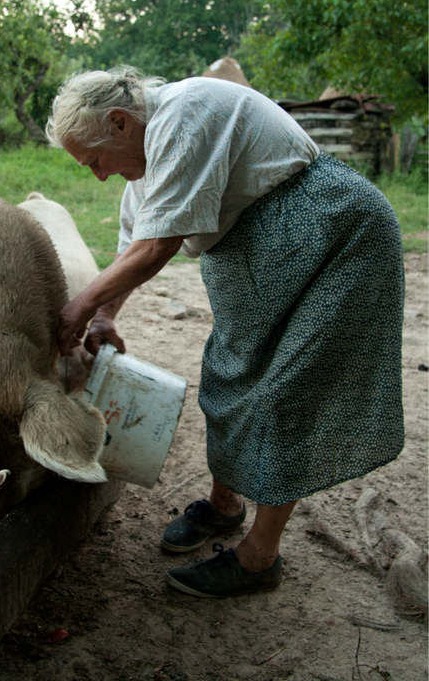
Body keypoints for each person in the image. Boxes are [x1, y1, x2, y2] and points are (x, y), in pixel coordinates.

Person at [45, 66, 405, 598]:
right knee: (227, 380)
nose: (98, 175)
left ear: (119, 122)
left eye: (94, 160)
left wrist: (82, 306)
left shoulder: (184, 113)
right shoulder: (144, 168)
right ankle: (223, 506)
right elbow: (132, 248)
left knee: (285, 393)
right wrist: (105, 315)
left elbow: (156, 248)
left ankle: (260, 559)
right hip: (259, 261)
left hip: (336, 239)